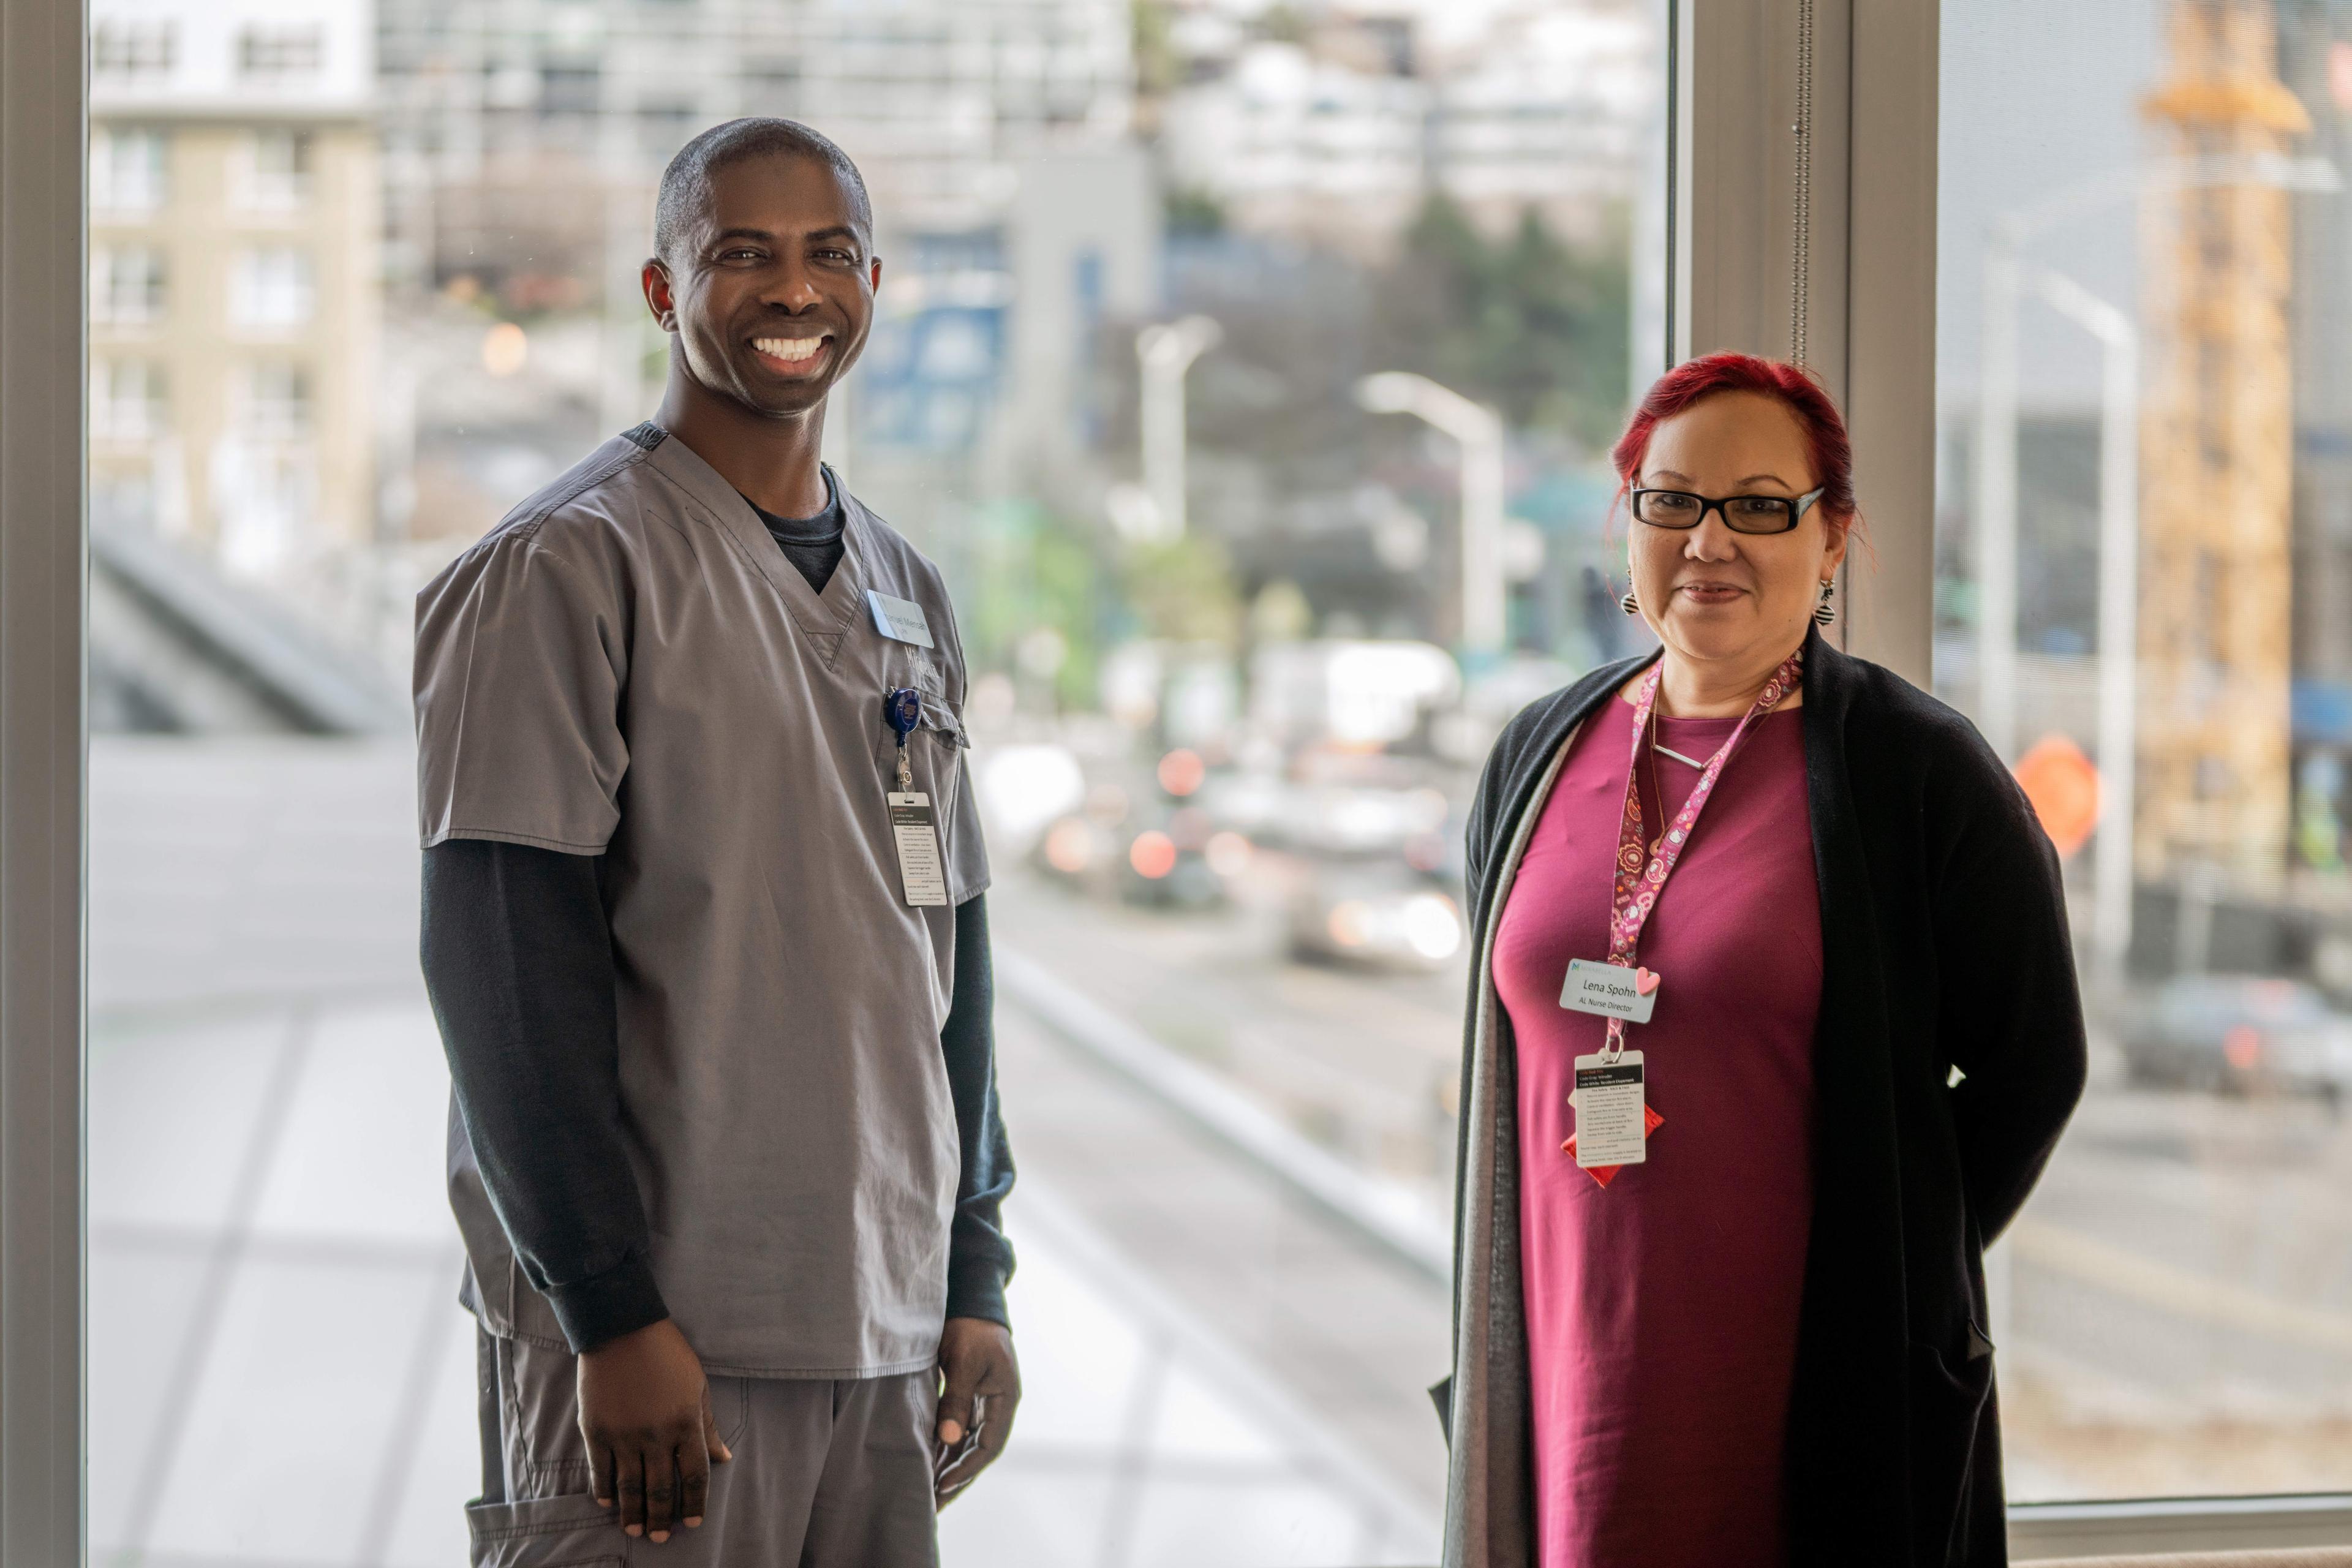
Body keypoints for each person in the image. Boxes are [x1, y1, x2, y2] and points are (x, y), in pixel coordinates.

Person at [414, 118, 1018, 1564]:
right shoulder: (563, 568)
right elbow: (502, 966)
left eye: (824, 255)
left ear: (873, 280)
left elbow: (953, 948)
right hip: (656, 1348)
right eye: (739, 254)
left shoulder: (904, 581)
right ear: (662, 288)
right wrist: (609, 1309)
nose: (790, 291)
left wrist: (974, 1271)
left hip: (876, 1323)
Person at [1433, 353, 2086, 1568]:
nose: (1707, 539)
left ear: (1832, 535)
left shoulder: (1919, 772)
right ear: (1627, 521)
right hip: (1559, 1366)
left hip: (1801, 1388)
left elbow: (2033, 1064)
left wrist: (1888, 1260)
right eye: (1671, 498)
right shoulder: (1537, 748)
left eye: (1759, 503)